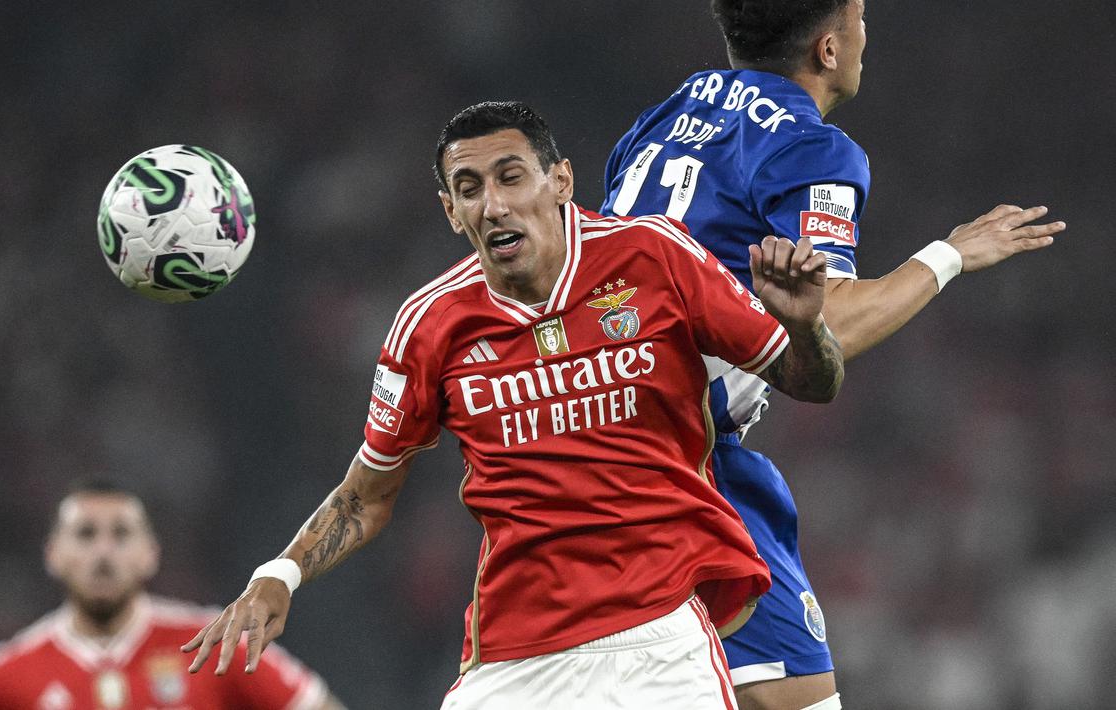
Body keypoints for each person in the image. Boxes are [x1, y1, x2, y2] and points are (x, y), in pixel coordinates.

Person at [182, 100, 843, 709]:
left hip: (660, 646)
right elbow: (368, 494)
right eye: (469, 189)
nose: (492, 204)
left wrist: (806, 325)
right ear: (450, 211)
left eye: (509, 177)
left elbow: (809, 381)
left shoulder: (653, 257)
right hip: (513, 660)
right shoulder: (431, 323)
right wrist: (280, 574)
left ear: (559, 181)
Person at [599, 2, 1066, 708]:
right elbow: (829, 326)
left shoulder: (663, 119)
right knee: (794, 697)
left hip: (587, 436)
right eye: (861, 15)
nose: (864, 34)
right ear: (827, 47)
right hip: (678, 460)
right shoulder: (810, 148)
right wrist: (948, 255)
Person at [0, 481, 343, 710]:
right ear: (53, 554)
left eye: (121, 534)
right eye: (86, 534)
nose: (103, 552)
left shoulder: (216, 644)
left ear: (150, 554)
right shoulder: (2, 678)